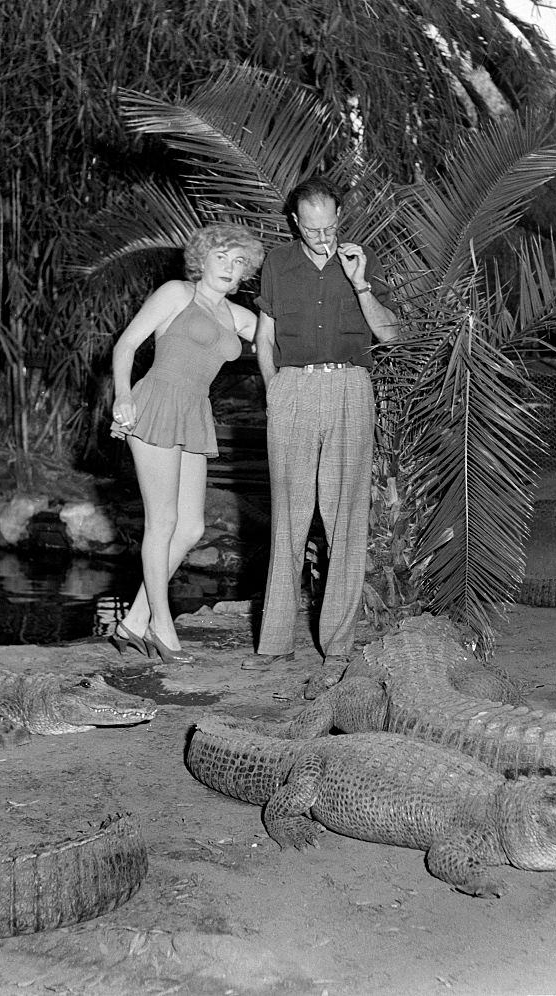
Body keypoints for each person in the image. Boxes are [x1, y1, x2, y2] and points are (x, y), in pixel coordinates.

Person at [241, 177, 398, 688]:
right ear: (295, 224)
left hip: (350, 388)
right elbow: (264, 337)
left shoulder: (360, 261)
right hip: (293, 389)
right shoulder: (279, 264)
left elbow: (390, 334)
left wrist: (360, 283)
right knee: (287, 517)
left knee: (345, 519)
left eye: (330, 226)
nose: (323, 237)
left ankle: (337, 648)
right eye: (312, 229)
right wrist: (272, 390)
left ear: (339, 219)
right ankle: (275, 644)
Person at [109, 223, 264, 665]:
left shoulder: (236, 316)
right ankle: (162, 624)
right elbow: (126, 345)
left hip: (195, 412)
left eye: (238, 262)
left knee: (192, 528)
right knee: (163, 522)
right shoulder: (178, 293)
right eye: (221, 257)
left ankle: (133, 623)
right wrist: (123, 395)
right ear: (203, 259)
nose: (229, 268)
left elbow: (278, 335)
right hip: (156, 402)